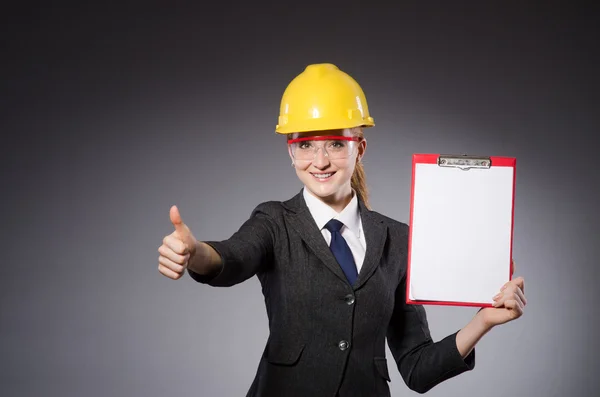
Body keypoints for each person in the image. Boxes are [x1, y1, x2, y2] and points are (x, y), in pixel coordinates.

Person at [157, 63, 527, 397]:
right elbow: (232, 257)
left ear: (360, 148)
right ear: (291, 152)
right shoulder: (274, 222)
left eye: (336, 144)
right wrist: (196, 253)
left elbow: (417, 368)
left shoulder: (398, 240)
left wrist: (483, 320)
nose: (320, 161)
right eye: (305, 145)